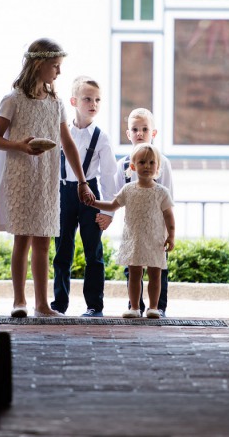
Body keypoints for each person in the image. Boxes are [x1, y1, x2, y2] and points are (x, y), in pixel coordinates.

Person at [0, 38, 95, 318]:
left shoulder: (56, 103)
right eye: (55, 67)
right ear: (39, 64)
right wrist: (20, 146)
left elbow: (68, 143)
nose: (58, 72)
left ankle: (42, 304)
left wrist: (82, 181)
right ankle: (19, 301)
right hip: (21, 177)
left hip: (47, 178)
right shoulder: (13, 100)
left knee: (44, 241)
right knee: (21, 239)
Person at [51, 76, 118, 317]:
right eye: (88, 99)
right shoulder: (61, 132)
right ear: (73, 101)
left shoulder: (101, 137)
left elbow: (110, 175)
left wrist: (108, 211)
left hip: (90, 195)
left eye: (98, 100)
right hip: (63, 193)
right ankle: (59, 304)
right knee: (62, 251)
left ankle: (94, 306)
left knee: (94, 253)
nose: (94, 104)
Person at [85, 143, 176, 319]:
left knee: (155, 275)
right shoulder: (128, 189)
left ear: (158, 167)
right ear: (133, 166)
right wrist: (93, 202)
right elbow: (112, 205)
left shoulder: (162, 192)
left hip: (155, 239)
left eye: (151, 163)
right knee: (134, 274)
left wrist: (171, 236)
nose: (147, 166)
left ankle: (153, 307)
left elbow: (169, 216)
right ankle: (134, 307)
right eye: (142, 162)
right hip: (134, 239)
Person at [111, 107, 174, 316]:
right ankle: (134, 305)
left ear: (153, 133)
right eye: (135, 129)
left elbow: (167, 198)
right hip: (135, 227)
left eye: (145, 129)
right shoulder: (122, 166)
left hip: (156, 227)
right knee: (133, 268)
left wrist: (168, 232)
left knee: (158, 268)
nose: (140, 133)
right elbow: (119, 196)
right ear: (128, 134)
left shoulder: (162, 163)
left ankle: (158, 306)